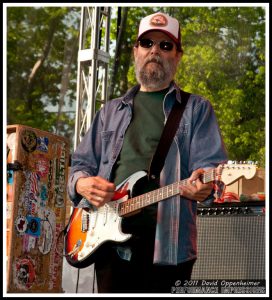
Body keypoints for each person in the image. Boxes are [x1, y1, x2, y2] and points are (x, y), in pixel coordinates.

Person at [67, 11, 228, 293]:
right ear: (135, 52)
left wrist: (205, 186)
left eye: (165, 46)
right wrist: (82, 183)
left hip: (169, 250)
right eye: (147, 43)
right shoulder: (110, 111)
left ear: (178, 56)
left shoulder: (197, 109)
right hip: (106, 243)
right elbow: (80, 163)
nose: (155, 50)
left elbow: (213, 172)